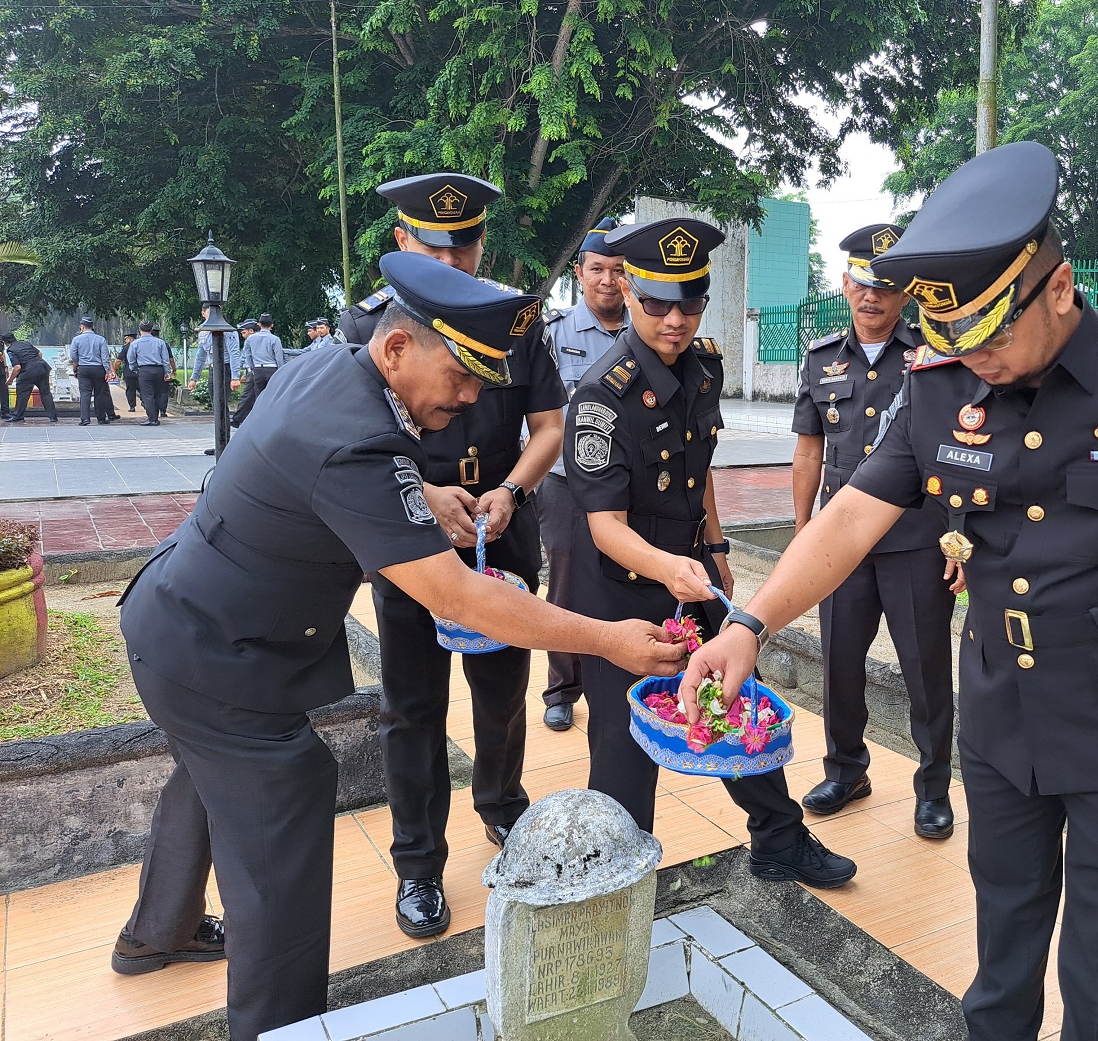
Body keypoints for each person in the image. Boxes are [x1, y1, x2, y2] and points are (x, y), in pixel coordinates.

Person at [681, 141, 1098, 1041]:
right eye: (955, 336)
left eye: (993, 333)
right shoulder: (938, 385)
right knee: (1002, 936)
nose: (978, 358)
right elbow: (850, 517)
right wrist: (747, 623)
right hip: (1003, 708)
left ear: (1060, 287)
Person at [109, 251, 685, 1041]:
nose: (475, 396)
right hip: (215, 657)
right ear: (397, 349)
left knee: (206, 780)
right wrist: (605, 640)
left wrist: (424, 497)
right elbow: (461, 596)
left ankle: (156, 931)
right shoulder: (359, 443)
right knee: (280, 807)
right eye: (463, 374)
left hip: (180, 622)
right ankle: (280, 1026)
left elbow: (334, 484)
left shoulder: (332, 369)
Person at [565, 217, 858, 889]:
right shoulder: (600, 396)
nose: (675, 319)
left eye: (690, 302)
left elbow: (698, 473)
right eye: (658, 304)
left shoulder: (703, 368)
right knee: (625, 740)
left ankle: (779, 840)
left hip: (692, 569)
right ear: (630, 296)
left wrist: (716, 546)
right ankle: (614, 878)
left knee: (730, 699)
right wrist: (671, 565)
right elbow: (604, 525)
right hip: (620, 586)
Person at [344, 172, 566, 940]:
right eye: (432, 247)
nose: (451, 261)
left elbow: (548, 427)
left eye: (463, 246)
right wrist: (423, 489)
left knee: (504, 687)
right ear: (403, 244)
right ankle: (418, 865)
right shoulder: (364, 326)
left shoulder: (517, 320)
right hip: (407, 528)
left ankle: (504, 808)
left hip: (501, 524)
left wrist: (509, 490)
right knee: (411, 703)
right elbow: (360, 437)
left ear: (481, 244)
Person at [791, 223, 960, 839]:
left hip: (916, 540)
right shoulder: (819, 360)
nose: (873, 298)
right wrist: (804, 530)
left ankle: (934, 785)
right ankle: (845, 769)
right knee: (839, 661)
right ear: (844, 284)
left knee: (924, 666)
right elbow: (809, 452)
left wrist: (958, 536)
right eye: (863, 284)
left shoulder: (934, 357)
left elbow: (959, 447)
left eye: (887, 288)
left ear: (906, 294)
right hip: (841, 543)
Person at [537, 216, 628, 731]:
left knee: (624, 581)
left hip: (629, 486)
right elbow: (540, 418)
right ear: (580, 271)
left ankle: (617, 676)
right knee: (568, 584)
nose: (608, 281)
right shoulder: (553, 334)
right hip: (568, 485)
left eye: (618, 270)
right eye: (597, 269)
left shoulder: (647, 331)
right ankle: (562, 686)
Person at [231, 312, 284, 427]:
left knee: (258, 397)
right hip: (272, 369)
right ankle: (272, 420)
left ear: (259, 324)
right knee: (273, 395)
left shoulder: (251, 339)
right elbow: (279, 357)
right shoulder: (275, 339)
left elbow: (247, 355)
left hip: (257, 370)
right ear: (272, 325)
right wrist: (281, 371)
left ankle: (259, 421)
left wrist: (251, 368)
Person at [1, 332, 59, 423]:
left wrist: (10, 380)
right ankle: (53, 416)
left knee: (22, 393)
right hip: (42, 367)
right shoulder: (26, 343)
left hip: (28, 371)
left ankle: (18, 416)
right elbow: (40, 353)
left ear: (5, 342)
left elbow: (17, 367)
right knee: (45, 393)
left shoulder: (11, 350)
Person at [127, 321, 176, 425]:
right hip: (159, 370)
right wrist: (167, 372)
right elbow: (165, 359)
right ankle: (156, 416)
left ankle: (152, 418)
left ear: (140, 330)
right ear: (151, 330)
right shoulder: (160, 342)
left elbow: (131, 359)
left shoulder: (135, 343)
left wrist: (135, 369)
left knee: (148, 395)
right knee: (158, 394)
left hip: (144, 370)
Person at [68, 315, 115, 425]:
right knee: (99, 393)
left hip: (84, 369)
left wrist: (79, 363)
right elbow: (105, 358)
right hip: (98, 369)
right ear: (92, 327)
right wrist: (108, 371)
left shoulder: (76, 339)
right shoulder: (101, 339)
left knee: (85, 393)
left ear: (82, 327)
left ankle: (85, 419)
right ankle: (101, 418)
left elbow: (73, 356)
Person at [186, 306, 242, 393]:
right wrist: (194, 378)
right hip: (213, 369)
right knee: (214, 401)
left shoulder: (228, 331)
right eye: (209, 313)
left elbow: (234, 354)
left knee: (222, 401)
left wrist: (235, 377)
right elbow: (200, 357)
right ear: (203, 314)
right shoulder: (202, 333)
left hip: (226, 369)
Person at [114, 334, 140, 413]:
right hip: (141, 371)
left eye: (126, 339)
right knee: (143, 388)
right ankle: (146, 403)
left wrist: (113, 370)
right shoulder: (140, 346)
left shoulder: (125, 348)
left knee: (130, 389)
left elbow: (119, 360)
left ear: (130, 339)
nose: (125, 341)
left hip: (129, 372)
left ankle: (132, 406)